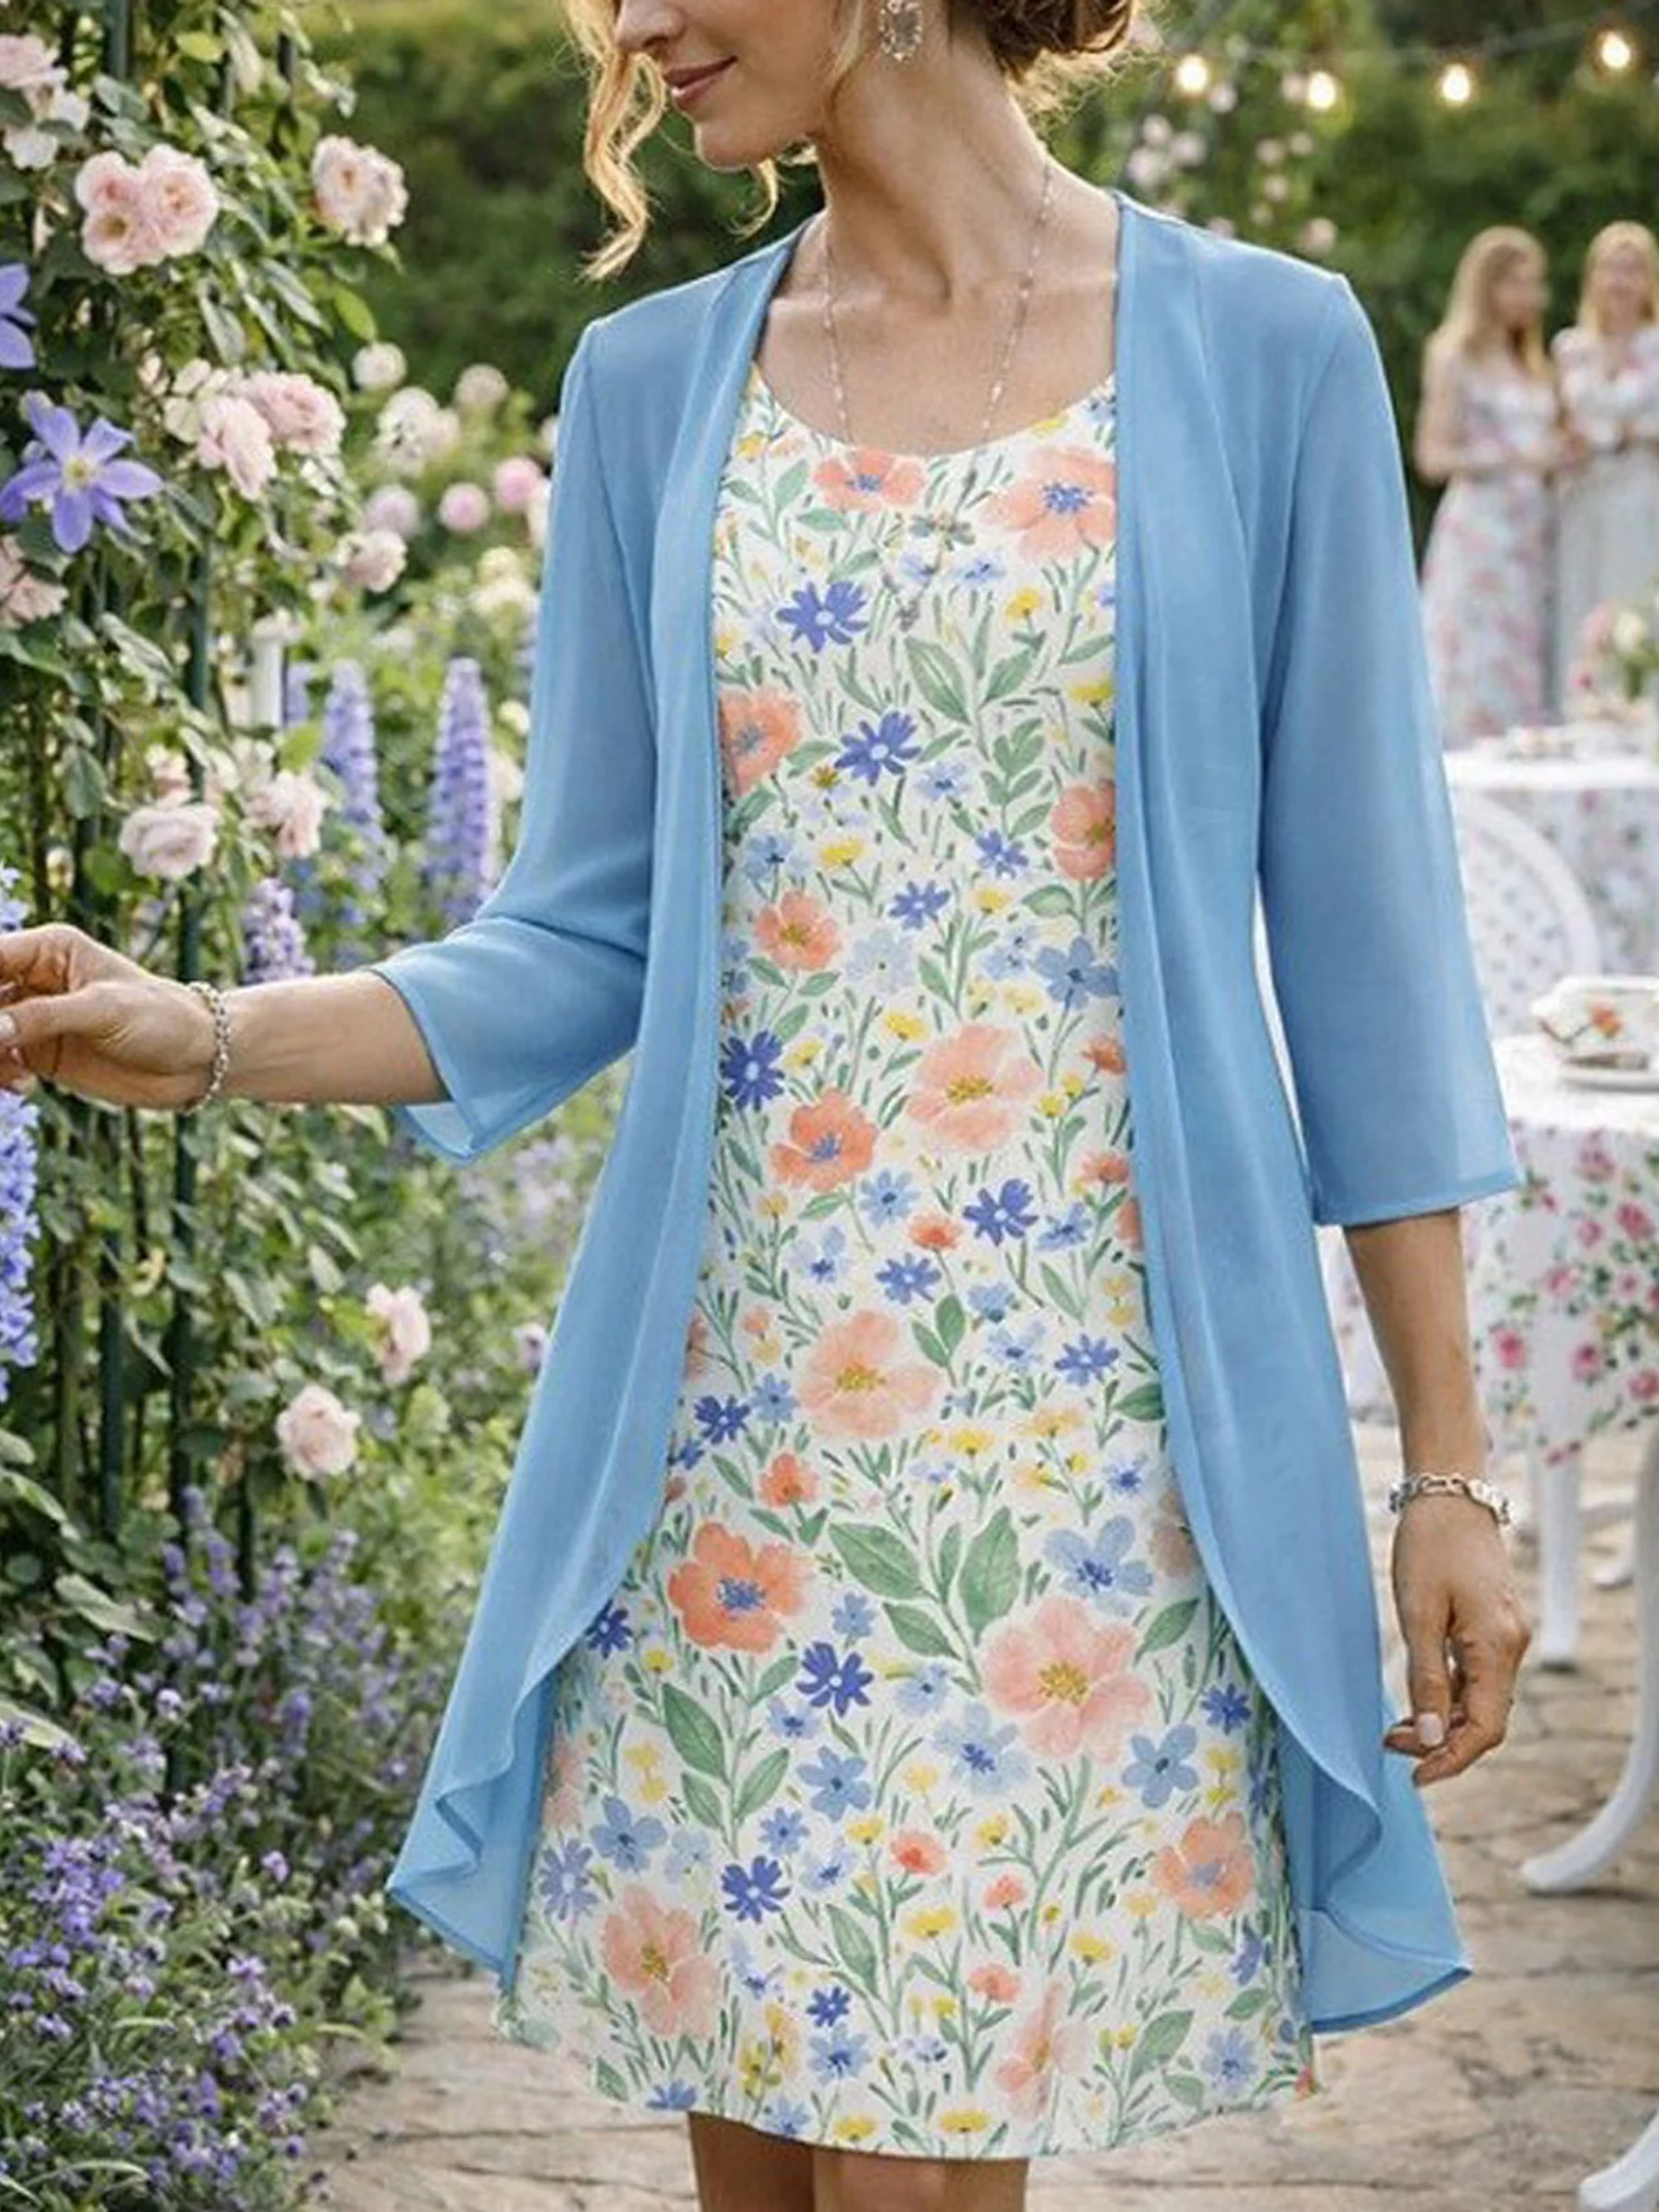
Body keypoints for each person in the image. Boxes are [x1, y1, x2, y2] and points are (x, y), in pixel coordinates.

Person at [0, 4, 1534, 2208]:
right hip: (723, 1444)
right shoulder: (651, 387)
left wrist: (1445, 1469)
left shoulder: (1268, 354)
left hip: (1078, 1462)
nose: (630, 27)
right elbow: (578, 932)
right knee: (769, 2156)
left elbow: (1376, 961)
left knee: (910, 2150)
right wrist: (215, 1030)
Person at [1415, 226, 1568, 745]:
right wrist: (1509, 459)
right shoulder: (1455, 356)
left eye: (1534, 284)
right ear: (1487, 287)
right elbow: (1432, 456)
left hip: (1533, 531)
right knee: (1477, 652)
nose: (1528, 296)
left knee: (1526, 648)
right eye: (1515, 283)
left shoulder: (1534, 363)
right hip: (1481, 528)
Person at [1550, 220, 1659, 710]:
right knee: (1580, 607)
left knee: (1636, 605)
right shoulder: (1571, 347)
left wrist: (1635, 433)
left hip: (1640, 490)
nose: (1621, 280)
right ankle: (1581, 714)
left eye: (1633, 269)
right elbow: (1556, 422)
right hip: (1582, 495)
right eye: (1612, 268)